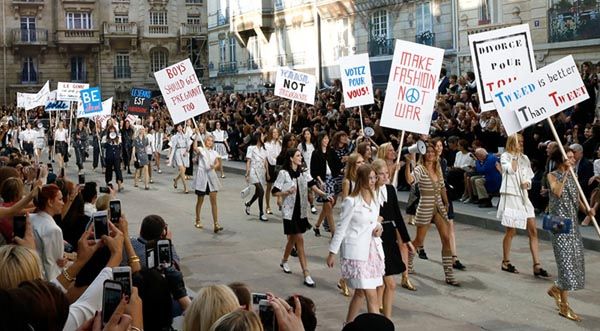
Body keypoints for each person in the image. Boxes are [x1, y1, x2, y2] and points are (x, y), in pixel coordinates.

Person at [327, 164, 385, 322]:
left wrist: (378, 228)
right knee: (371, 295)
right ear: (361, 179)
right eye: (370, 178)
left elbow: (375, 221)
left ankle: (348, 325)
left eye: (374, 177)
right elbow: (341, 228)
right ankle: (378, 327)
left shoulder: (375, 198)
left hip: (372, 253)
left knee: (360, 293)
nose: (373, 181)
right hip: (356, 253)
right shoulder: (351, 201)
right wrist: (332, 253)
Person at [272, 148, 329, 287]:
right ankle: (306, 273)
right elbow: (274, 192)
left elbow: (312, 185)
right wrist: (286, 192)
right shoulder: (284, 173)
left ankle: (284, 260)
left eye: (301, 156)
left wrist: (324, 195)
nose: (300, 158)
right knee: (299, 240)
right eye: (298, 156)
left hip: (301, 212)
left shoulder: (303, 172)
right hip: (289, 213)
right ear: (291, 158)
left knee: (292, 239)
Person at [405, 143, 460, 286]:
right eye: (427, 152)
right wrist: (407, 164)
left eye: (432, 152)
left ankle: (449, 274)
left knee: (447, 239)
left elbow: (442, 186)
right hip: (425, 206)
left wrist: (446, 202)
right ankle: (408, 261)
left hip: (439, 206)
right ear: (423, 155)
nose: (430, 154)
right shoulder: (419, 169)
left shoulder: (438, 168)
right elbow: (410, 180)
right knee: (419, 241)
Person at [546, 147, 590, 322]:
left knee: (575, 259)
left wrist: (587, 210)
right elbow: (557, 191)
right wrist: (565, 173)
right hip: (557, 222)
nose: (572, 160)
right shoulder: (552, 175)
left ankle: (556, 288)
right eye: (568, 158)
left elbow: (576, 199)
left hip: (572, 222)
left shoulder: (575, 176)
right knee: (564, 263)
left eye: (573, 157)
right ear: (560, 160)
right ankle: (564, 307)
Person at [498, 134, 549, 277]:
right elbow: (511, 170)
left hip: (524, 196)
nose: (521, 144)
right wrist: (514, 155)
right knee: (511, 231)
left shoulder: (525, 158)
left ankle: (537, 265)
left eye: (522, 142)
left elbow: (528, 176)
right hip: (511, 196)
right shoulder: (505, 156)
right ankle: (505, 261)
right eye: (518, 142)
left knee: (533, 230)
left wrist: (528, 183)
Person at [372, 159, 416, 317]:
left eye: (386, 173)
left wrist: (407, 240)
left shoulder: (390, 190)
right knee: (384, 283)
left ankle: (386, 320)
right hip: (375, 237)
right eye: (381, 174)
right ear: (374, 176)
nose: (385, 176)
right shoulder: (369, 191)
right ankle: (380, 318)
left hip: (389, 236)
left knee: (387, 284)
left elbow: (397, 215)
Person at [30, 183, 65, 280]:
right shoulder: (53, 229)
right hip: (43, 280)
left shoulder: (30, 218)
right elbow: (52, 266)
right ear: (50, 202)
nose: (63, 203)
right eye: (60, 199)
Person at [311, 132, 342, 235]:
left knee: (328, 205)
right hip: (322, 181)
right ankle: (334, 232)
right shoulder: (315, 153)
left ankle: (317, 226)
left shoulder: (331, 151)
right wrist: (320, 181)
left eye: (327, 139)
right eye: (324, 139)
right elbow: (313, 171)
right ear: (320, 140)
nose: (326, 141)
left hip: (331, 180)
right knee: (328, 205)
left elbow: (338, 164)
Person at [192, 134, 223, 233]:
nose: (210, 142)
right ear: (205, 141)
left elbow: (218, 163)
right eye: (208, 140)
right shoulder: (202, 150)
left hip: (211, 177)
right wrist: (196, 137)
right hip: (202, 177)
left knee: (214, 201)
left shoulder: (214, 152)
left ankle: (216, 224)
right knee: (200, 200)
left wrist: (214, 166)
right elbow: (195, 148)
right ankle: (197, 219)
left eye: (212, 141)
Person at [244, 132, 269, 221]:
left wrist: (268, 173)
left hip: (262, 172)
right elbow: (248, 161)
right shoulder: (251, 148)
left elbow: (266, 161)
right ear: (258, 138)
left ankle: (249, 203)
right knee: (261, 191)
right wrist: (247, 173)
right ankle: (261, 213)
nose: (264, 137)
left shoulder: (264, 149)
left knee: (258, 192)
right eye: (262, 136)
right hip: (253, 171)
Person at [169, 123, 191, 194]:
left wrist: (187, 151)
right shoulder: (174, 137)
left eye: (180, 126)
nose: (180, 128)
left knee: (183, 171)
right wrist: (170, 158)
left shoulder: (186, 136)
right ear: (176, 128)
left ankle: (176, 180)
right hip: (178, 152)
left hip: (185, 153)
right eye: (178, 127)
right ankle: (186, 187)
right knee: (182, 169)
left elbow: (189, 145)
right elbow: (172, 147)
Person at [299, 128, 317, 214]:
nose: (306, 135)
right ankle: (303, 205)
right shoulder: (300, 145)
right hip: (303, 169)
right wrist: (302, 168)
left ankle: (312, 205)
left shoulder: (313, 145)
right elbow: (298, 157)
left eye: (308, 134)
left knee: (311, 188)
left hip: (312, 168)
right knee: (304, 188)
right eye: (305, 134)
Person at [264, 128, 282, 215]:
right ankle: (267, 206)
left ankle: (279, 200)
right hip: (270, 166)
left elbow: (280, 155)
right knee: (269, 187)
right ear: (271, 133)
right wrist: (267, 172)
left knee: (279, 185)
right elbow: (267, 159)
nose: (276, 134)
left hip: (278, 166)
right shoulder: (267, 144)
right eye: (274, 132)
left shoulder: (279, 144)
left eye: (277, 132)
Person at [102, 125, 124, 191]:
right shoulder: (105, 137)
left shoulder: (118, 137)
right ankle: (108, 183)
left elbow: (120, 146)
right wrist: (108, 142)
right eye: (110, 130)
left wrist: (116, 142)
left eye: (113, 130)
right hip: (109, 156)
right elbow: (103, 146)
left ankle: (119, 184)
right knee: (108, 170)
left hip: (116, 157)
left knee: (118, 170)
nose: (112, 131)